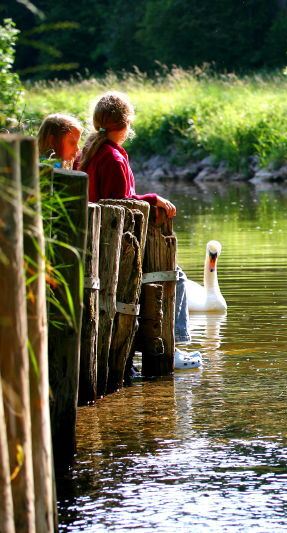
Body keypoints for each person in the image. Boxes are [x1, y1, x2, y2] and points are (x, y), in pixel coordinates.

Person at [77, 91, 199, 370]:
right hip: (117, 245)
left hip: (96, 241)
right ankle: (172, 346)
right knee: (175, 277)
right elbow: (119, 204)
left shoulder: (89, 152)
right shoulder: (112, 157)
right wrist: (152, 199)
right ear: (126, 123)